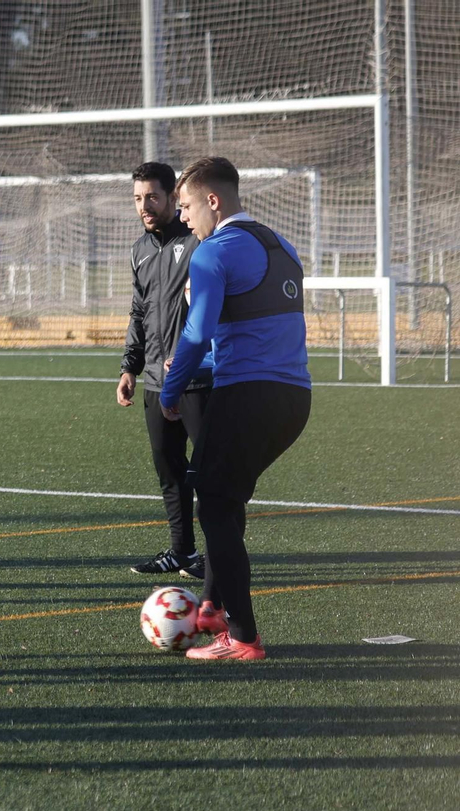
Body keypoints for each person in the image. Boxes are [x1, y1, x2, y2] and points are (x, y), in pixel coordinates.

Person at [161, 157, 312, 661]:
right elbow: (253, 325)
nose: (182, 218)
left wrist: (169, 391)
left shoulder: (212, 254)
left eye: (184, 206)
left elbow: (196, 332)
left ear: (212, 201)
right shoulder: (283, 246)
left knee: (216, 501)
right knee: (224, 498)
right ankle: (211, 605)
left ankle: (241, 637)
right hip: (294, 400)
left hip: (248, 394)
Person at [116, 162, 209, 580]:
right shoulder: (138, 251)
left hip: (195, 379)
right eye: (138, 198)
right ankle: (182, 553)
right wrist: (129, 367)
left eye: (152, 196)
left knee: (209, 472)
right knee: (169, 470)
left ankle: (220, 553)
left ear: (173, 197)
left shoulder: (197, 243)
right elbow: (139, 312)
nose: (144, 206)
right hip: (154, 378)